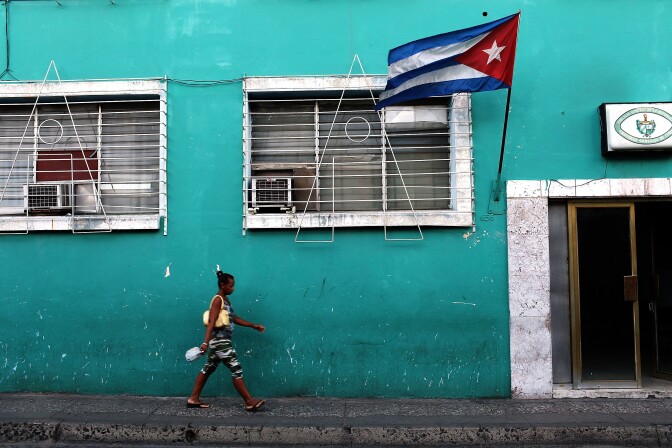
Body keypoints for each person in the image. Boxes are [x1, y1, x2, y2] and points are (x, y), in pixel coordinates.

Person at [187, 271, 266, 411]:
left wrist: (253, 325)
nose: (233, 288)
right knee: (236, 369)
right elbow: (211, 321)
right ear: (223, 285)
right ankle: (249, 401)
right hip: (220, 341)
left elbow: (234, 318)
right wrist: (205, 342)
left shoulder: (225, 300)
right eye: (231, 286)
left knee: (208, 368)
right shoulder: (218, 299)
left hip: (219, 342)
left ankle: (193, 398)